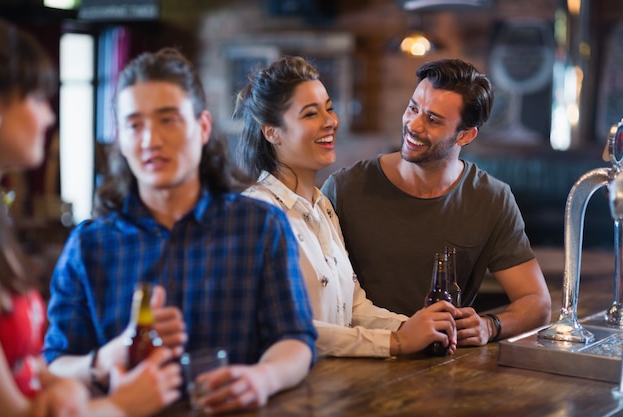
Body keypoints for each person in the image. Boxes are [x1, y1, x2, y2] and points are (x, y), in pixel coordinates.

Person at [43, 47, 317, 415]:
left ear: (202, 127)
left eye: (167, 120)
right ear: (120, 139)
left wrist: (263, 378)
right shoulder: (90, 244)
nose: (150, 140)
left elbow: (295, 339)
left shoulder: (260, 226)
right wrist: (105, 358)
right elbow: (55, 365)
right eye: (134, 124)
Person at [0, 18, 182, 417]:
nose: (49, 117)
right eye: (36, 98)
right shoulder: (90, 241)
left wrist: (64, 386)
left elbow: (25, 369)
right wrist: (123, 405)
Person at [236, 55, 459, 358]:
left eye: (329, 108)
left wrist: (416, 326)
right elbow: (287, 327)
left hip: (338, 392)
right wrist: (397, 342)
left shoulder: (323, 206)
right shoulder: (254, 213)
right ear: (272, 132)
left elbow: (354, 309)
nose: (330, 121)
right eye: (310, 114)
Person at [321, 58, 552, 346]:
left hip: (441, 367)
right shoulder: (345, 189)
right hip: (358, 354)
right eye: (413, 107)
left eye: (432, 119)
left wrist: (490, 326)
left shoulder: (492, 199)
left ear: (466, 135)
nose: (413, 125)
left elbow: (537, 303)